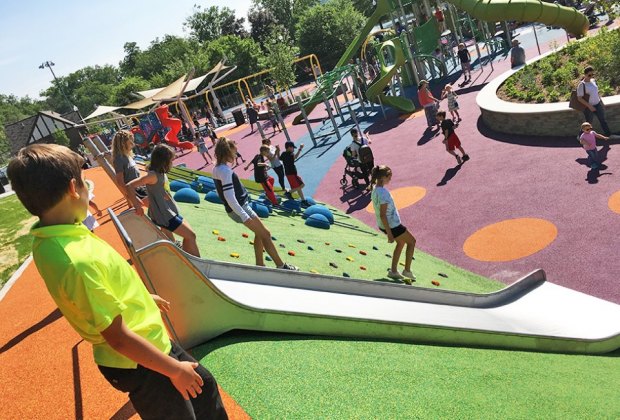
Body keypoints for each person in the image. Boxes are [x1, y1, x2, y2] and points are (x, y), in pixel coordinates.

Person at [6, 144, 227, 419]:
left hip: (150, 343)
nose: (90, 189)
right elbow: (119, 339)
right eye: (86, 182)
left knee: (204, 389)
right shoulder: (74, 260)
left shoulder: (58, 234)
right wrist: (172, 370)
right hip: (139, 361)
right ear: (73, 189)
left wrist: (143, 299)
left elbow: (108, 287)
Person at [212, 137, 298, 271]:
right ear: (227, 152)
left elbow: (222, 193)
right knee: (266, 234)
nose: (236, 155)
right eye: (234, 152)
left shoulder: (217, 169)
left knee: (259, 233)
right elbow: (229, 196)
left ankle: (260, 265)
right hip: (240, 209)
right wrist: (244, 216)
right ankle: (281, 266)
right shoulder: (225, 171)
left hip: (238, 207)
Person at [126, 144, 201, 257]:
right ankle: (195, 261)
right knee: (191, 236)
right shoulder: (152, 175)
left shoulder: (161, 173)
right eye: (170, 161)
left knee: (184, 237)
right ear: (163, 161)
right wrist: (136, 205)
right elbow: (129, 186)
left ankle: (186, 258)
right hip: (165, 216)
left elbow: (159, 188)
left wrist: (164, 194)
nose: (172, 163)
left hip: (169, 212)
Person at [369, 165, 416, 284]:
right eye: (389, 176)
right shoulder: (383, 193)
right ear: (383, 177)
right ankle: (407, 270)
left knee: (401, 242)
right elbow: (383, 214)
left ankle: (394, 271)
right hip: (392, 226)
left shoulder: (375, 189)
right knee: (411, 242)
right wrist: (389, 234)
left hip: (385, 225)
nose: (390, 179)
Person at [111, 130, 148, 206]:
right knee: (157, 205)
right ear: (123, 144)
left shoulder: (127, 156)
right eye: (130, 142)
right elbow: (120, 181)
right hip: (136, 190)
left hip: (141, 187)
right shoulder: (119, 159)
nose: (133, 144)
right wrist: (132, 197)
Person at [577, 66, 611, 136]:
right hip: (589, 107)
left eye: (593, 75)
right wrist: (590, 106)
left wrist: (601, 101)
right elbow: (579, 98)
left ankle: (608, 135)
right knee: (588, 123)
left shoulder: (593, 81)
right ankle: (580, 136)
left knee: (603, 120)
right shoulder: (582, 85)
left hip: (598, 104)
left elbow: (596, 92)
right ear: (585, 75)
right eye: (589, 75)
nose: (591, 76)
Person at [280, 141, 310, 207]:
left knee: (298, 187)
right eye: (293, 148)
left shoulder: (283, 154)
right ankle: (288, 193)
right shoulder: (291, 153)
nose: (293, 149)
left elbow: (280, 159)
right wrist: (300, 149)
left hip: (288, 173)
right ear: (289, 147)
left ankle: (303, 201)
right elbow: (295, 157)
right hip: (292, 173)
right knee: (302, 185)